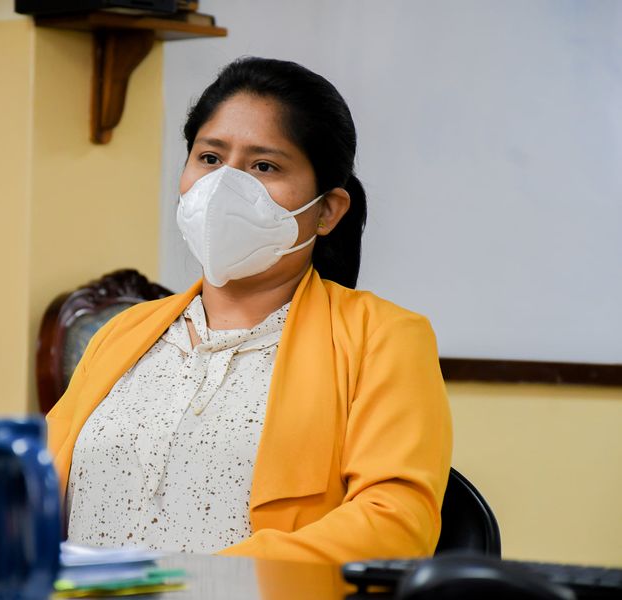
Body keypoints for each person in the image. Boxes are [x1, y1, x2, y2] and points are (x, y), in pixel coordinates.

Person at [46, 57, 452, 564]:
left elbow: (395, 522)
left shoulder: (382, 338)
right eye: (209, 158)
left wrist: (211, 584)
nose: (224, 186)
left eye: (264, 166)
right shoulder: (123, 332)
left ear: (327, 210)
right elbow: (30, 492)